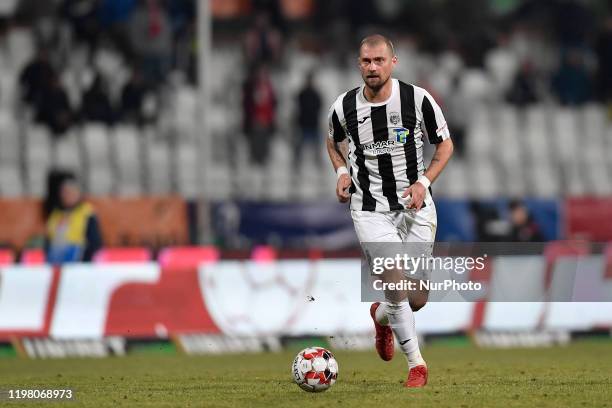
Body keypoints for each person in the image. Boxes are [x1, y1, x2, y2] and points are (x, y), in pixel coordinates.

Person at [326, 34, 454, 388]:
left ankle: (381, 317)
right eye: (366, 61)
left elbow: (445, 144)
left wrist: (424, 182)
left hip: (416, 208)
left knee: (416, 299)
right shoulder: (344, 107)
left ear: (392, 63)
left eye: (379, 60)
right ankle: (417, 364)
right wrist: (341, 172)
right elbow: (332, 140)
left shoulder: (418, 99)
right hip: (370, 210)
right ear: (359, 64)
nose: (372, 67)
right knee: (395, 283)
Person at [44, 172, 102, 264]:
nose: (67, 196)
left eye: (70, 193)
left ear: (78, 194)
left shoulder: (87, 212)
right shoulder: (56, 213)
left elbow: (95, 241)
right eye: (65, 193)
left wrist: (84, 260)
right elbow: (49, 238)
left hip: (79, 259)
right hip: (56, 259)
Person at [294, 70, 322, 164]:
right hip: (303, 124)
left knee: (316, 150)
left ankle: (318, 166)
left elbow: (319, 108)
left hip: (313, 124)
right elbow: (297, 108)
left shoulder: (316, 94)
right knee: (299, 149)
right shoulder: (301, 94)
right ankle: (296, 166)